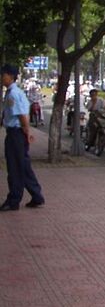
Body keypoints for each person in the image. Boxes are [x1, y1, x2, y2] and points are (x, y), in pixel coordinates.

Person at [1, 64, 45, 211]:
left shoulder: (13, 93)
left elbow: (21, 115)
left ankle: (13, 200)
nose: (1, 77)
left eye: (3, 75)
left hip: (16, 134)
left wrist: (27, 132)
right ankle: (36, 195)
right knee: (23, 166)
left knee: (15, 168)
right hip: (16, 133)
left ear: (10, 76)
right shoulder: (14, 92)